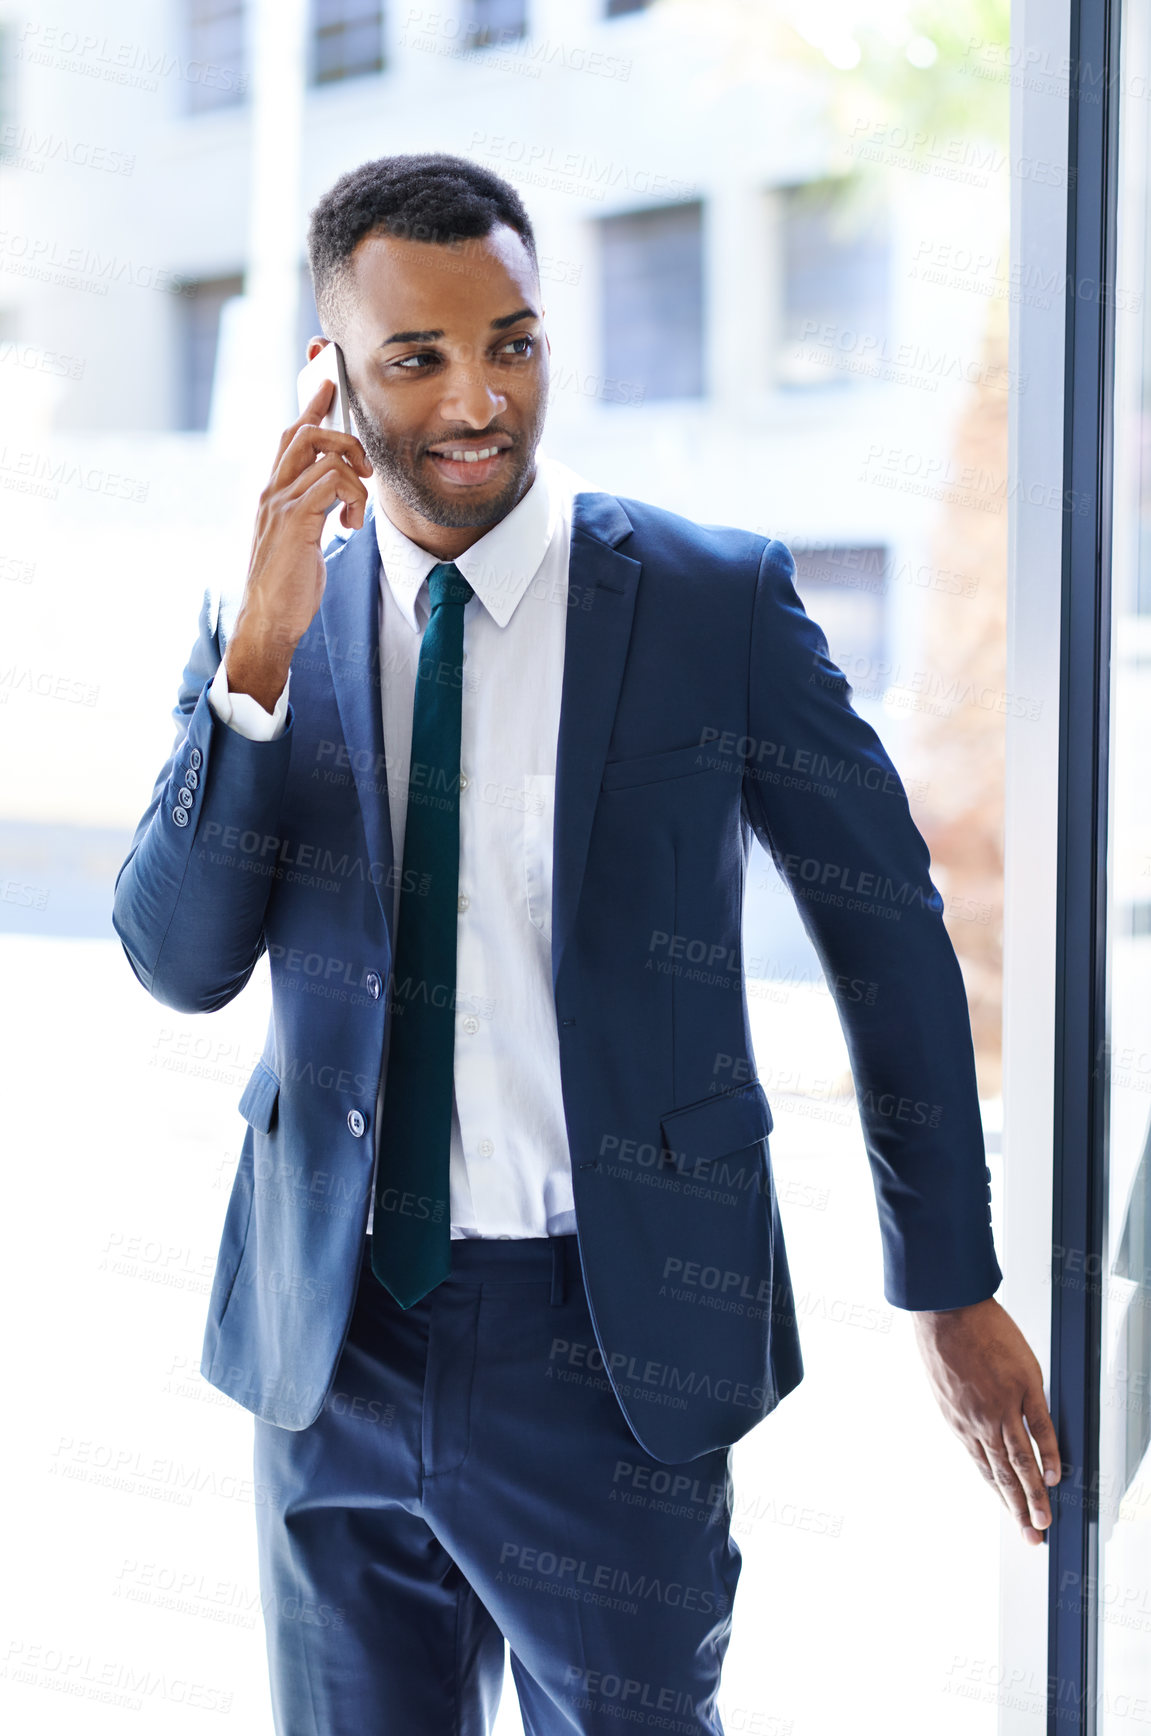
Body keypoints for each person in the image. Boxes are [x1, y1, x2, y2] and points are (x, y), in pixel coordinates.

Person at [114, 152, 1061, 1736]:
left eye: (514, 340)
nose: (480, 397)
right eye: (419, 357)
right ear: (331, 378)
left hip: (607, 1348)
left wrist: (947, 1286)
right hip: (327, 1342)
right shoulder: (267, 618)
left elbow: (887, 937)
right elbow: (180, 961)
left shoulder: (712, 601)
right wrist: (262, 646)